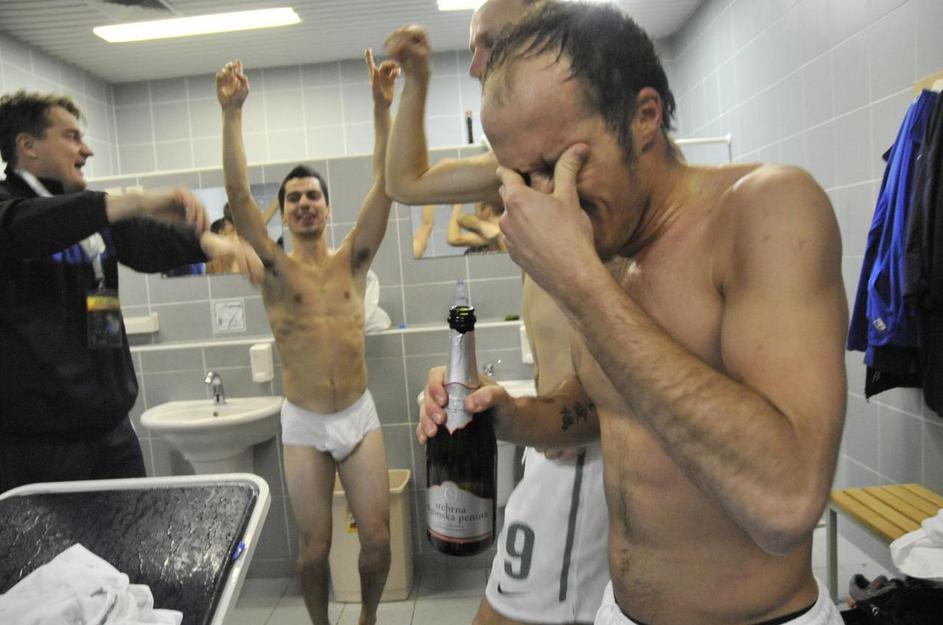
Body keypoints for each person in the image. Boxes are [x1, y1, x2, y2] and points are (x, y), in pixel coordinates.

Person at [419, 3, 849, 625]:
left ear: (643, 117)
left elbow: (787, 504)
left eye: (559, 165)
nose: (547, 199)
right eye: (522, 178)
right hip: (620, 611)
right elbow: (604, 406)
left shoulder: (767, 210)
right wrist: (505, 415)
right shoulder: (609, 244)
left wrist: (581, 285)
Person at [385, 3, 610, 625]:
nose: (475, 65)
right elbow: (405, 182)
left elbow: (602, 383)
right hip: (555, 443)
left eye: (488, 44)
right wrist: (417, 79)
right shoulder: (519, 173)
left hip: (586, 456)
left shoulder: (593, 182)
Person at [216, 52, 398, 625]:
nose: (302, 203)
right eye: (293, 197)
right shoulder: (274, 270)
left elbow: (386, 185)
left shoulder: (353, 261)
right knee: (313, 551)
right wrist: (231, 113)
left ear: (326, 206)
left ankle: (367, 618)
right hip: (303, 422)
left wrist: (381, 108)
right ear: (285, 213)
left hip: (358, 416)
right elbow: (239, 198)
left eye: (311, 195)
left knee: (377, 539)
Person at [0, 89, 250, 494]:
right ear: (28, 145)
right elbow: (28, 227)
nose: (87, 150)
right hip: (41, 449)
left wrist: (212, 243)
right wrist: (135, 199)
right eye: (71, 137)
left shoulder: (86, 214)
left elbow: (145, 241)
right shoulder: (12, 210)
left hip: (111, 434)